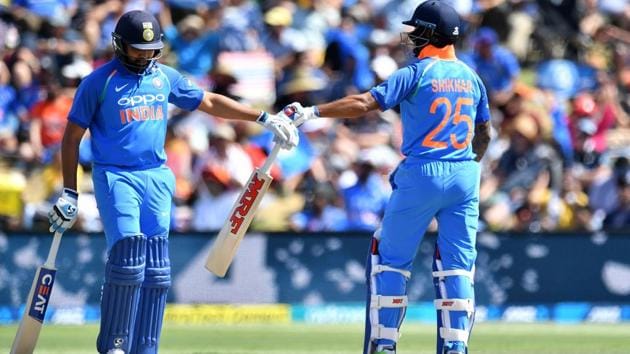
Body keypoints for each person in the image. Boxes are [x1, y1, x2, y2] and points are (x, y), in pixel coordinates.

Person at [46, 10, 298, 354]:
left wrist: (264, 117)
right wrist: (70, 191)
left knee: (157, 268)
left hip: (157, 177)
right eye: (137, 49)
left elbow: (208, 101)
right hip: (116, 175)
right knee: (129, 253)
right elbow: (71, 137)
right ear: (119, 45)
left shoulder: (164, 77)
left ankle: (146, 348)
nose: (144, 55)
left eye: (150, 49)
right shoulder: (98, 82)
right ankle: (115, 345)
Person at [284, 2, 491, 353]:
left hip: (422, 172)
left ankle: (384, 343)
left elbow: (365, 103)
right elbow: (484, 132)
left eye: (417, 30)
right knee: (457, 268)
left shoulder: (416, 72)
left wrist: (313, 111)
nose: (411, 37)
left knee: (389, 260)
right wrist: (468, 165)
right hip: (465, 174)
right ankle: (456, 347)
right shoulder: (472, 78)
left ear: (431, 33)